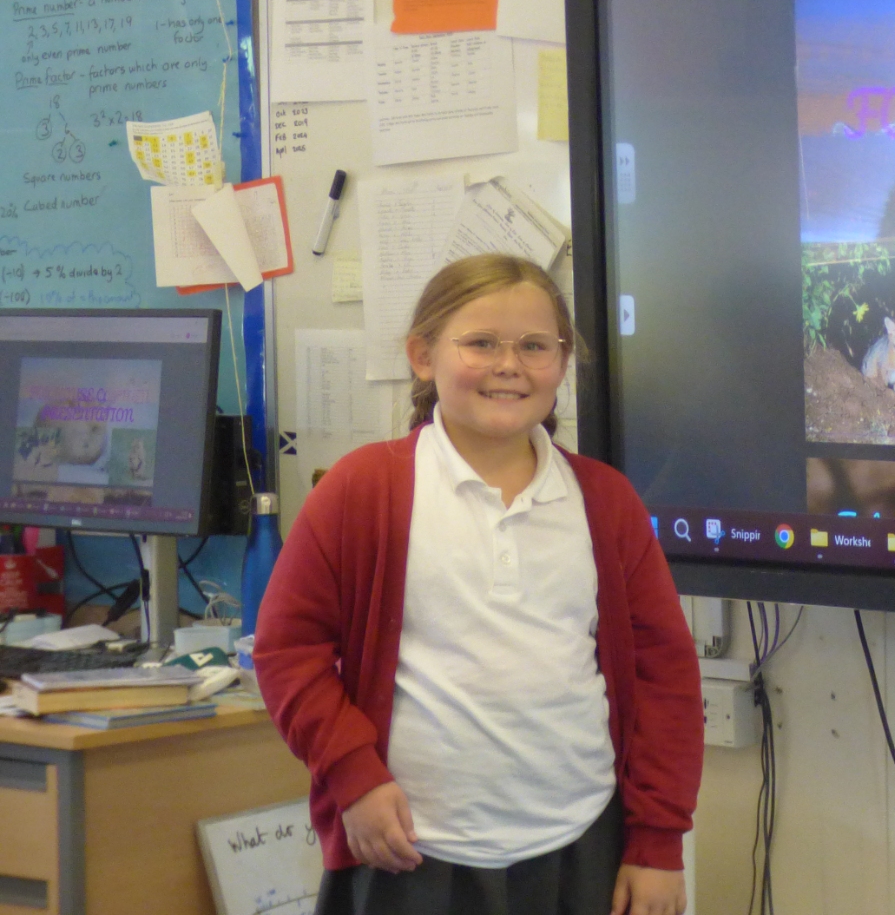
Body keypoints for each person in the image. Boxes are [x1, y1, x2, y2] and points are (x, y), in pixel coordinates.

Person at [257, 253, 703, 915]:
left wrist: (658, 842)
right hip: (410, 851)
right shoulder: (363, 489)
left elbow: (664, 674)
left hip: (581, 849)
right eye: (482, 343)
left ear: (562, 362)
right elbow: (287, 652)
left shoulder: (604, 501)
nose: (509, 365)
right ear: (422, 355)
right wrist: (354, 778)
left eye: (535, 346)